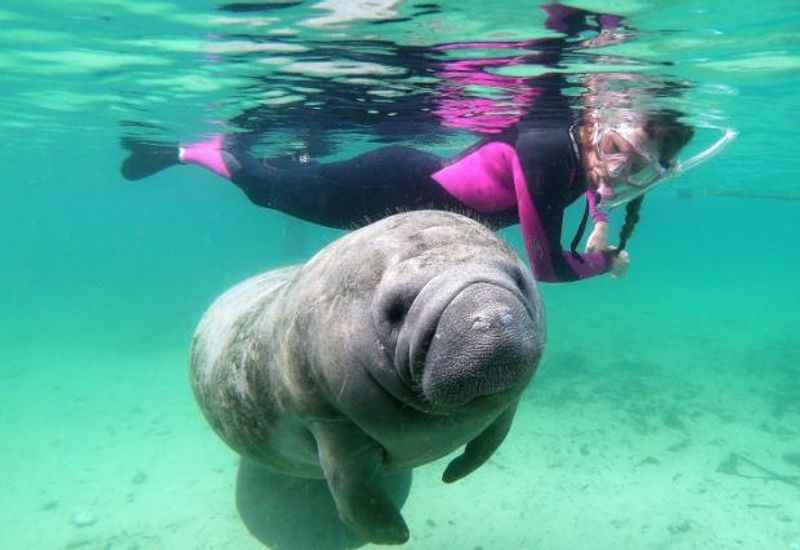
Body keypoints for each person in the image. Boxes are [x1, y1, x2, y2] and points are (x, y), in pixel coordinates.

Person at [120, 5, 731, 283]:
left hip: (425, 199)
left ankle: (280, 158)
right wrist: (602, 261)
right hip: (394, 189)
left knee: (292, 182)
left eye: (646, 172)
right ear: (603, 125)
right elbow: (543, 268)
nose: (624, 175)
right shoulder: (550, 148)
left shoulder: (581, 150)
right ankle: (197, 151)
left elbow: (593, 183)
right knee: (267, 192)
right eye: (623, 152)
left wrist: (599, 217)